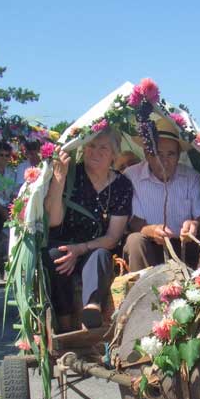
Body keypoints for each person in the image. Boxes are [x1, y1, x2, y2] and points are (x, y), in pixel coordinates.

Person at [44, 127, 132, 331]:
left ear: (114, 155)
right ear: (83, 148)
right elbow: (54, 222)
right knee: (56, 256)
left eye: (103, 148)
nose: (95, 152)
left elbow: (113, 237)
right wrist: (59, 180)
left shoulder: (122, 186)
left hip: (96, 246)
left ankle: (92, 309)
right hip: (65, 244)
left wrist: (81, 249)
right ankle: (65, 324)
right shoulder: (72, 175)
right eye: (91, 145)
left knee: (101, 255)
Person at [123, 116, 200, 271]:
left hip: (186, 244)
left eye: (171, 154)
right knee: (134, 240)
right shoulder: (132, 176)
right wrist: (152, 230)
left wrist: (196, 225)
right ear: (147, 154)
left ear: (179, 155)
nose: (164, 161)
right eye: (158, 154)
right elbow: (134, 222)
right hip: (152, 246)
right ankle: (145, 285)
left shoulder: (191, 177)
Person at [0, 141, 17, 227]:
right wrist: (2, 211)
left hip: (9, 209)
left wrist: (12, 210)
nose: (4, 158)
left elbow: (14, 193)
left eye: (7, 155)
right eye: (1, 155)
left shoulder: (12, 172)